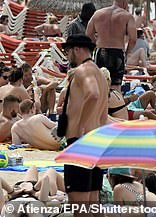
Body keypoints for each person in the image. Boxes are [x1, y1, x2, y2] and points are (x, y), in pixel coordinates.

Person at [61, 35, 109, 203]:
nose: (67, 56)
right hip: (96, 142)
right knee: (92, 202)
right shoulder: (100, 74)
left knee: (79, 205)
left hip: (81, 142)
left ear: (77, 49)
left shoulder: (84, 70)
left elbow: (93, 94)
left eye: (67, 52)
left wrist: (80, 126)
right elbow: (103, 113)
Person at [86, 0, 136, 89]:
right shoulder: (127, 16)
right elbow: (133, 39)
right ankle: (114, 103)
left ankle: (100, 104)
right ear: (125, 3)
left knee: (99, 84)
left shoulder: (98, 13)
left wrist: (97, 43)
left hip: (100, 51)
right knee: (115, 86)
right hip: (117, 52)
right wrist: (127, 52)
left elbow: (88, 33)